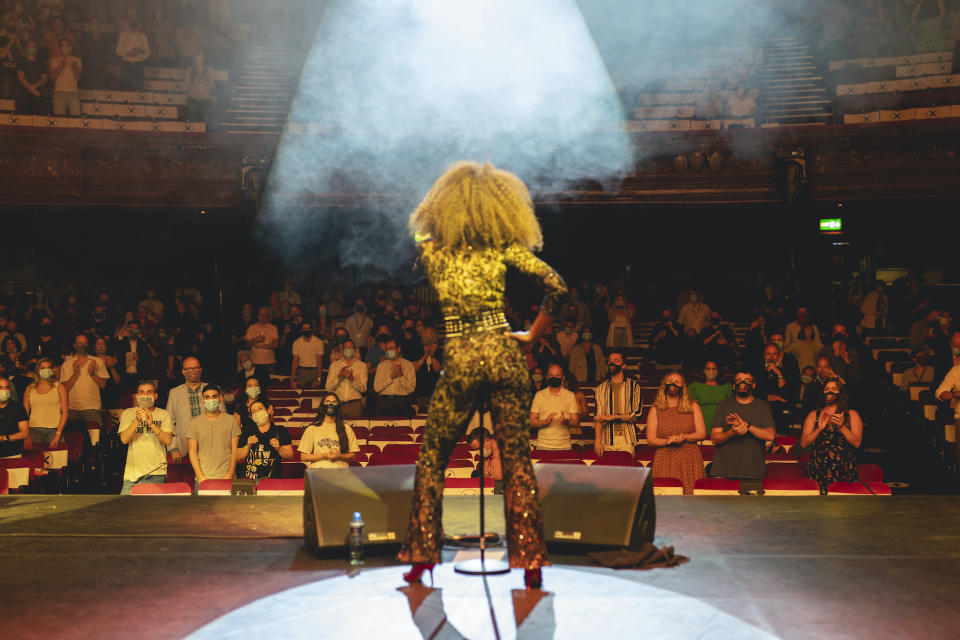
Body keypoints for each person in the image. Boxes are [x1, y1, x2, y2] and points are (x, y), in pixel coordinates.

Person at [399, 161, 566, 591]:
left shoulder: (434, 250)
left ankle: (421, 559)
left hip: (460, 358)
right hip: (503, 354)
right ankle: (531, 564)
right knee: (516, 463)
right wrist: (530, 335)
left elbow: (417, 228)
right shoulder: (502, 248)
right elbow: (559, 287)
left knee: (433, 459)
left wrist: (437, 204)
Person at [710, 371, 776, 491]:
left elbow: (770, 435)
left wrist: (746, 425)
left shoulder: (763, 406)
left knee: (751, 509)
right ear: (734, 385)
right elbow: (714, 438)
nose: (743, 383)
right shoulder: (723, 405)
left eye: (747, 381)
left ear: (754, 385)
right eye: (739, 380)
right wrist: (732, 432)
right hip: (724, 469)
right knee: (720, 509)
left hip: (753, 471)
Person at [647, 372, 706, 494]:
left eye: (677, 382)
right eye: (670, 381)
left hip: (690, 458)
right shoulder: (655, 409)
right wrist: (667, 441)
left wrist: (684, 437)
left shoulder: (693, 406)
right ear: (664, 384)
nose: (673, 384)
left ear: (683, 387)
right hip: (665, 458)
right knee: (666, 498)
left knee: (691, 500)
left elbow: (701, 434)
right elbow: (651, 439)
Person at [801, 380, 863, 494]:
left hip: (844, 470)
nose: (829, 391)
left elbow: (857, 443)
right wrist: (818, 430)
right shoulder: (813, 415)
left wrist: (841, 427)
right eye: (826, 389)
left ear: (841, 393)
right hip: (818, 470)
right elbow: (804, 442)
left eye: (834, 389)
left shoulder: (852, 414)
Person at [118, 381, 174, 494]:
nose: (145, 395)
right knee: (125, 509)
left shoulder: (164, 414)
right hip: (132, 475)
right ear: (137, 396)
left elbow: (168, 441)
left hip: (156, 473)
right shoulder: (128, 413)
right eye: (142, 392)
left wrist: (152, 425)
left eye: (149, 392)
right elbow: (124, 439)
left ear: (155, 396)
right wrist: (137, 421)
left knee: (151, 511)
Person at [165, 356, 218, 463]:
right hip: (185, 449)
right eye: (188, 369)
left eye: (195, 368)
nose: (192, 371)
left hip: (212, 447)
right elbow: (169, 423)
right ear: (183, 372)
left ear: (200, 369)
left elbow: (222, 419)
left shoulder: (213, 389)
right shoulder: (174, 393)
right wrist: (174, 448)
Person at [185, 384, 240, 487]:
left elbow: (235, 450)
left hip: (227, 478)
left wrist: (229, 475)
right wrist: (200, 477)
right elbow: (192, 452)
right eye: (207, 397)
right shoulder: (194, 422)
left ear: (220, 398)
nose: (211, 400)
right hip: (203, 479)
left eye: (214, 396)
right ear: (202, 400)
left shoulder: (231, 420)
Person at [593, 351, 642, 456]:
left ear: (623, 365)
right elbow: (599, 417)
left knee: (627, 471)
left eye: (616, 361)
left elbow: (636, 414)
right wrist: (598, 441)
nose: (611, 363)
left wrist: (612, 417)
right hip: (606, 439)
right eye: (610, 361)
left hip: (627, 439)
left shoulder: (634, 386)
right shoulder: (600, 388)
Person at [235, 399, 293, 480]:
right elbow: (237, 457)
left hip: (273, 481)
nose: (257, 413)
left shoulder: (280, 430)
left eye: (260, 409)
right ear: (251, 416)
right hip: (249, 480)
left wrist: (279, 448)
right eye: (254, 411)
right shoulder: (247, 431)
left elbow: (290, 455)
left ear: (268, 410)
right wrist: (247, 446)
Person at [297, 393, 359, 468]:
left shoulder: (346, 428)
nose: (331, 404)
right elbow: (303, 457)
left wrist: (339, 456)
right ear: (322, 406)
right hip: (319, 472)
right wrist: (324, 456)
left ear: (338, 407)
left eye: (334, 402)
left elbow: (353, 456)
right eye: (327, 401)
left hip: (341, 472)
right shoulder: (312, 429)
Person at [59, 334, 107, 426]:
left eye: (85, 343)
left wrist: (92, 373)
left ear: (88, 345)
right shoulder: (67, 364)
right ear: (75, 345)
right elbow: (65, 389)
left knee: (95, 438)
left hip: (92, 408)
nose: (83, 346)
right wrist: (76, 374)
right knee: (74, 439)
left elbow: (103, 385)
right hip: (72, 408)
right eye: (80, 343)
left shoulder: (97, 361)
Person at [529, 364, 580, 450]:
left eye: (557, 375)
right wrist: (545, 422)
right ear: (547, 377)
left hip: (565, 446)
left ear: (563, 378)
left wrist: (566, 421)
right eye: (551, 375)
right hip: (543, 446)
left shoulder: (570, 395)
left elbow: (576, 422)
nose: (554, 377)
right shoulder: (539, 395)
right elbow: (532, 422)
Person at [23, 358, 67, 447]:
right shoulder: (30, 388)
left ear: (52, 370)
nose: (46, 370)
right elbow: (24, 414)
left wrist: (58, 434)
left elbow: (65, 412)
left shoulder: (59, 387)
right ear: (37, 370)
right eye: (42, 368)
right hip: (33, 430)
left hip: (54, 430)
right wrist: (26, 436)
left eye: (48, 368)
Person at [688, 361, 731, 438]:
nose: (711, 371)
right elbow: (690, 407)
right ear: (703, 370)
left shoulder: (726, 386)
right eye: (708, 368)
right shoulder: (695, 386)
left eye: (714, 368)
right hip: (702, 421)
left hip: (721, 422)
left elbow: (730, 406)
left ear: (718, 370)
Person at [323, 339, 367, 416]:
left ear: (355, 349)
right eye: (346, 348)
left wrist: (352, 379)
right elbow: (328, 388)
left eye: (350, 347)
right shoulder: (334, 365)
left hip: (355, 405)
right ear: (342, 350)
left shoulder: (362, 366)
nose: (348, 349)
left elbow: (363, 389)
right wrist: (339, 377)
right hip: (338, 405)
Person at [373, 339, 416, 416]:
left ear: (398, 349)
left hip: (402, 401)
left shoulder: (408, 365)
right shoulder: (381, 366)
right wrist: (390, 378)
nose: (389, 351)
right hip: (384, 402)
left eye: (392, 348)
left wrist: (401, 375)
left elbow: (411, 389)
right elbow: (377, 388)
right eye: (387, 349)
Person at [244, 307, 279, 383]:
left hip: (270, 363)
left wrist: (260, 346)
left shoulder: (273, 327)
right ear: (257, 316)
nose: (263, 317)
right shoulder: (252, 328)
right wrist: (256, 340)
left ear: (268, 316)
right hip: (255, 362)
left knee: (271, 386)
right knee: (255, 385)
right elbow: (246, 345)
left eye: (265, 315)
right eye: (261, 315)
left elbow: (275, 345)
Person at [47, 36, 81, 116]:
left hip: (73, 91)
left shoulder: (77, 60)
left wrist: (74, 68)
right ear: (59, 47)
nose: (64, 48)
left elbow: (79, 78)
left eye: (66, 46)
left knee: (75, 118)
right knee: (59, 118)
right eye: (62, 46)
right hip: (59, 91)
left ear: (70, 47)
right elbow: (52, 77)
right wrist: (61, 66)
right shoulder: (54, 60)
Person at [115, 20, 150, 90]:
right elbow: (118, 51)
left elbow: (148, 52)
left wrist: (140, 51)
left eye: (134, 23)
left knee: (139, 89)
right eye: (131, 23)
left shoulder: (143, 36)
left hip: (138, 65)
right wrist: (127, 53)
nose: (133, 26)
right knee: (125, 89)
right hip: (126, 64)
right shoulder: (123, 35)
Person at [0, 376, 28, 459]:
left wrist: (5, 438)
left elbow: (25, 433)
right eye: (0, 387)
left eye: (6, 387)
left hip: (13, 454)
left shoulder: (18, 407)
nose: (4, 390)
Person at [15, 38, 45, 114]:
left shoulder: (41, 62)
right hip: (23, 95)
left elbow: (44, 79)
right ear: (25, 48)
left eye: (33, 46)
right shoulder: (21, 61)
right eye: (29, 46)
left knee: (38, 119)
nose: (31, 48)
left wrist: (34, 87)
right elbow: (21, 77)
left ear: (36, 49)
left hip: (38, 94)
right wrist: (32, 89)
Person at [468, 427, 503, 494]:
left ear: (487, 440)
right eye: (476, 450)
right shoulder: (483, 459)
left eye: (478, 448)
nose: (478, 452)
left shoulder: (505, 456)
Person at [290, 321, 323, 389]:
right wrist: (292, 380)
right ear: (301, 330)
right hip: (302, 371)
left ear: (311, 329)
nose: (306, 330)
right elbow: (295, 362)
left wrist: (319, 379)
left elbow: (319, 362)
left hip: (315, 371)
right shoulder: (296, 343)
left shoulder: (318, 342)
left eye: (308, 328)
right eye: (304, 328)